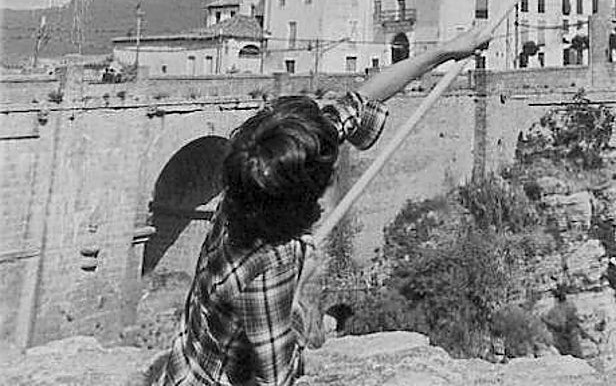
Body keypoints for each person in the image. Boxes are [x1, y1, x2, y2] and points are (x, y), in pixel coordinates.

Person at [151, 26, 490, 386]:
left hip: (180, 368)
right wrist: (302, 294)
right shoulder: (270, 264)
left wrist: (446, 53)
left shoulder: (256, 176)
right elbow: (278, 377)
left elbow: (360, 100)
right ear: (317, 183)